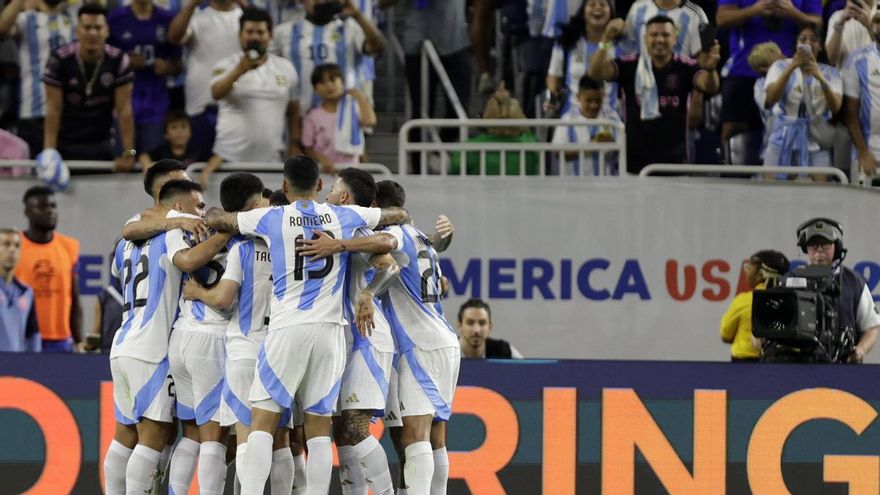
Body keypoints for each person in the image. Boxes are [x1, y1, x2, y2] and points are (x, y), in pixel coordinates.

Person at [204, 155, 410, 495]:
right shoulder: (345, 216)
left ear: (285, 186)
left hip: (287, 329)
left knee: (262, 424)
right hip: (330, 333)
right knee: (318, 432)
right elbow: (397, 215)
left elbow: (220, 220)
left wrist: (208, 215)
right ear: (319, 184)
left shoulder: (271, 217)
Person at [103, 179, 233, 495]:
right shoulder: (175, 233)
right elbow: (187, 261)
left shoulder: (126, 243)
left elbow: (123, 266)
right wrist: (225, 233)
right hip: (152, 347)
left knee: (126, 434)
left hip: (123, 344)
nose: (201, 212)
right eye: (198, 205)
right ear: (179, 206)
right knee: (155, 435)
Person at [181, 173, 296, 494]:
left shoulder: (241, 248)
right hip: (281, 349)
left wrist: (199, 293)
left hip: (244, 348)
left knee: (245, 435)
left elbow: (223, 298)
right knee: (281, 438)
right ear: (255, 206)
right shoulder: (289, 246)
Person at [324, 167, 397, 495]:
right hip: (346, 338)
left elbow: (389, 264)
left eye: (332, 189)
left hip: (368, 335)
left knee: (356, 425)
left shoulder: (355, 229)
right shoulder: (337, 229)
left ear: (343, 197)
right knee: (342, 429)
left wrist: (368, 293)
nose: (327, 194)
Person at [588, 15, 720, 174]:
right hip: (634, 166)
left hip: (675, 165)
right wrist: (605, 40)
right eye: (654, 35)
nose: (659, 39)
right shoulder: (628, 65)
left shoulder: (686, 66)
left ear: (674, 39)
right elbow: (595, 73)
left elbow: (710, 86)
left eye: (665, 35)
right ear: (645, 38)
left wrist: (710, 69)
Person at [199, 7, 300, 186]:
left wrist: (294, 143)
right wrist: (239, 70)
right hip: (229, 160)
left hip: (272, 160)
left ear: (270, 35)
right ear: (240, 35)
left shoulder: (286, 68)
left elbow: (293, 110)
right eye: (249, 31)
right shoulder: (225, 65)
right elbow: (216, 93)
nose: (255, 37)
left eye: (260, 32)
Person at [761, 218, 880, 363]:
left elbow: (871, 327)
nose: (819, 249)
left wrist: (860, 350)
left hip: (841, 365)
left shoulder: (854, 282)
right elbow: (766, 324)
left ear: (837, 246)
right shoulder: (788, 281)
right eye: (813, 244)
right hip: (794, 365)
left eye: (825, 243)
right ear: (805, 248)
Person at [41, 4, 136, 170]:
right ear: (77, 30)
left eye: (98, 28)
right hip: (65, 143)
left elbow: (124, 110)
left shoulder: (119, 60)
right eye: (87, 27)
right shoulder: (59, 59)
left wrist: (129, 153)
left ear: (107, 31)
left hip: (102, 143)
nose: (92, 33)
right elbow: (53, 109)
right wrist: (49, 152)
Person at [715, 0, 822, 146]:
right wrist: (754, 10)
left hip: (790, 73)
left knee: (787, 126)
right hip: (742, 70)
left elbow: (817, 22)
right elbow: (722, 18)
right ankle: (729, 161)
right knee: (733, 129)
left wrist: (794, 13)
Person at [271, 0, 385, 114]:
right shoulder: (283, 32)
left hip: (344, 116)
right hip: (300, 116)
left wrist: (357, 15)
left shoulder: (350, 27)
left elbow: (378, 47)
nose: (321, 1)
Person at [168, 0, 243, 160]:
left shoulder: (244, 17)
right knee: (199, 164)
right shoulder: (196, 16)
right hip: (200, 105)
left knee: (236, 166)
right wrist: (192, 4)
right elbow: (174, 37)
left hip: (238, 105)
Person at [763, 23, 841, 174]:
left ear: (820, 45)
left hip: (816, 140)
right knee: (773, 187)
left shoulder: (831, 73)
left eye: (814, 40)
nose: (808, 43)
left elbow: (836, 107)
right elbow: (771, 99)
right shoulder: (779, 66)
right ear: (796, 44)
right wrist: (791, 67)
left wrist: (820, 77)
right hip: (782, 138)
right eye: (803, 39)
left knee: (821, 189)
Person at [0, 0, 75, 158]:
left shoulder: (72, 22)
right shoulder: (27, 19)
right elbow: (2, 28)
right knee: (32, 169)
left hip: (68, 115)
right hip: (32, 112)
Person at [108, 0, 183, 155]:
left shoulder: (168, 18)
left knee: (151, 161)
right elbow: (104, 61)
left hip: (156, 107)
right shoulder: (114, 18)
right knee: (126, 157)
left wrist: (167, 68)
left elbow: (178, 66)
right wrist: (124, 62)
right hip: (123, 106)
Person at [14, 185, 81, 352]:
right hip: (21, 338)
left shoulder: (69, 246)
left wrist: (79, 341)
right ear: (27, 211)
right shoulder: (13, 247)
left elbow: (74, 298)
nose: (50, 211)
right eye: (42, 207)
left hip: (61, 341)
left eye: (53, 206)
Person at [545, 0, 622, 118]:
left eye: (603, 4)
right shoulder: (567, 42)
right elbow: (554, 77)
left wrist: (607, 39)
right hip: (571, 117)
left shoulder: (621, 46)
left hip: (609, 117)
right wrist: (552, 99)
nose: (597, 7)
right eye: (592, 4)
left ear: (611, 12)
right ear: (583, 11)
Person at [448, 82, 541, 176]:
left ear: (487, 116)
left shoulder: (469, 148)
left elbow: (453, 176)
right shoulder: (532, 147)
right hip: (521, 186)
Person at [302, 63, 376, 173]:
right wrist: (321, 159)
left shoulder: (353, 108)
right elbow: (307, 146)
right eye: (322, 82)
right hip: (325, 172)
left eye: (333, 80)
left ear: (342, 83)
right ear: (315, 89)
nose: (329, 85)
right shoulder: (312, 115)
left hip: (352, 170)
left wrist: (360, 98)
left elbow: (370, 121)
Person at [719, 250, 789, 361]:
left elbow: (725, 334)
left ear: (759, 275)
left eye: (749, 268)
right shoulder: (789, 302)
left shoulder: (744, 300)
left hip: (744, 365)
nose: (746, 272)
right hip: (783, 363)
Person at [551, 75, 619, 175]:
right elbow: (558, 152)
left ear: (603, 96)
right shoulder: (567, 120)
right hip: (575, 183)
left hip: (607, 182)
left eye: (598, 100)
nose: (594, 105)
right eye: (589, 100)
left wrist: (614, 144)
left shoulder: (612, 119)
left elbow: (624, 149)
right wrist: (589, 147)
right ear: (578, 97)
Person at [841, 11, 880, 179]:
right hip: (870, 150)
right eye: (877, 21)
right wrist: (863, 152)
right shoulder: (856, 60)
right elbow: (850, 113)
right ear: (871, 26)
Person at [0, 228, 40, 353]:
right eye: (6, 244)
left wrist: (36, 361)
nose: (12, 250)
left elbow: (32, 334)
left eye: (17, 246)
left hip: (16, 363)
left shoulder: (27, 292)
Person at [622, 0, 708, 56]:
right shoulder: (637, 8)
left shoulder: (696, 15)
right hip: (641, 78)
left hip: (679, 78)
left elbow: (702, 61)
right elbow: (627, 48)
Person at [458, 298, 523, 359]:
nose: (476, 330)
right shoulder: (451, 349)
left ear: (490, 327)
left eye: (482, 323)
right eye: (470, 323)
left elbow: (526, 367)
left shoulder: (504, 351)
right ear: (459, 325)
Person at [137, 110, 202, 169]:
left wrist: (205, 173)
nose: (179, 131)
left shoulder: (196, 151)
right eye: (174, 127)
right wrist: (147, 165)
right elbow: (143, 156)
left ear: (191, 132)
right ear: (166, 134)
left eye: (183, 126)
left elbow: (209, 159)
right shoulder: (162, 150)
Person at [825, 0, 876, 67]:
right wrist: (840, 24)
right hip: (846, 73)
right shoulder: (837, 17)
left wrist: (869, 26)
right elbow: (832, 59)